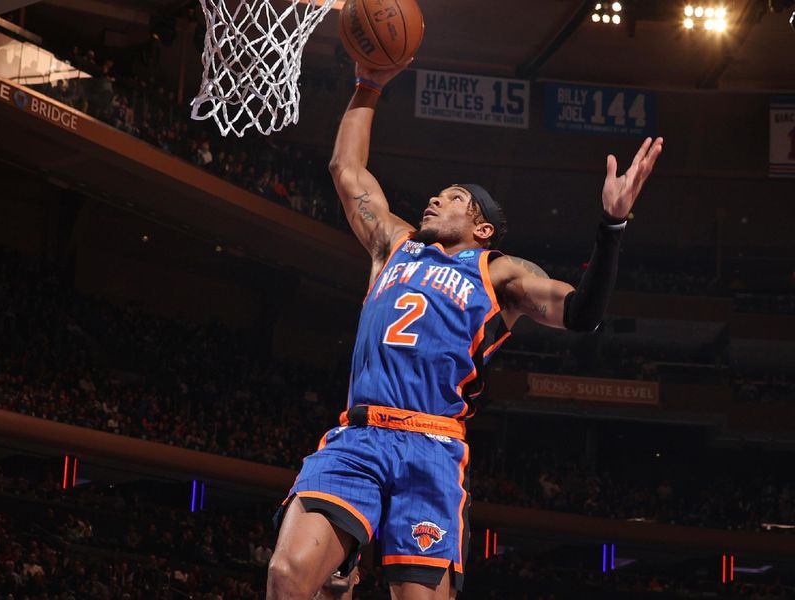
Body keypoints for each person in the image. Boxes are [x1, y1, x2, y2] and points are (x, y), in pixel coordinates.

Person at [266, 61, 663, 600]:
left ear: (482, 227)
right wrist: (369, 83)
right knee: (288, 576)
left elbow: (582, 313)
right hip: (358, 437)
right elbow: (347, 169)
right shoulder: (394, 245)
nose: (435, 198)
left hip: (432, 447)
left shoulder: (500, 272)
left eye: (453, 197)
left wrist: (612, 226)